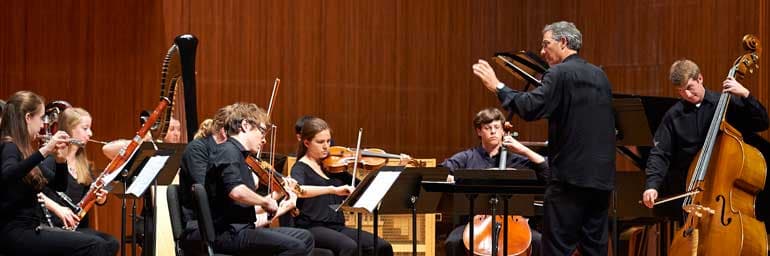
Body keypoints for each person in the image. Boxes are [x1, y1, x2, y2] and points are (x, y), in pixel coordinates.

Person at [472, 21, 616, 255]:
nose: (542, 51)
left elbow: (531, 107)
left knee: (557, 248)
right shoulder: (600, 75)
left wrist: (497, 86)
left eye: (546, 44)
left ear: (563, 42)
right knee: (594, 249)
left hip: (570, 180)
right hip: (601, 179)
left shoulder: (559, 72)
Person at [641, 59, 769, 218]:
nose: (687, 94)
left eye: (689, 88)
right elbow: (660, 152)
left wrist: (745, 94)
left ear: (700, 79)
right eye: (680, 91)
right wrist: (652, 186)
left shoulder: (724, 103)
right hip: (693, 195)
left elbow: (762, 122)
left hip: (726, 194)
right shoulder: (673, 116)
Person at [0, 91, 112, 255]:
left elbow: (59, 185)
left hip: (31, 230)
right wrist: (45, 150)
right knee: (94, 246)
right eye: (41, 118)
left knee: (103, 244)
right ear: (28, 118)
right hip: (14, 233)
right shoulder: (9, 145)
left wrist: (60, 160)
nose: (42, 125)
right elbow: (8, 175)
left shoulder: (26, 151)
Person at [206, 103, 313, 255]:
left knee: (304, 237)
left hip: (241, 228)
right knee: (295, 247)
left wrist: (276, 198)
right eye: (262, 132)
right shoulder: (228, 151)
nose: (264, 140)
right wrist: (265, 201)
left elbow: (241, 206)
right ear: (245, 125)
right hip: (229, 233)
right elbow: (236, 191)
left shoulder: (240, 156)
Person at [441, 108, 548, 256]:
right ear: (479, 131)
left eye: (497, 127)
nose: (493, 132)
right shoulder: (467, 157)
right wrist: (448, 177)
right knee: (453, 242)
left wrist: (523, 150)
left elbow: (548, 173)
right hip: (475, 223)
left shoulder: (517, 160)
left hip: (515, 223)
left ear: (503, 131)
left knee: (538, 241)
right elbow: (442, 170)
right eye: (487, 128)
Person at [290, 117, 394, 256]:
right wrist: (332, 190)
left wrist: (370, 166)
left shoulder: (333, 167)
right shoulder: (300, 168)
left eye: (328, 141)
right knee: (349, 247)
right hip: (312, 227)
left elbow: (361, 187)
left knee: (382, 246)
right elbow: (299, 190)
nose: (326, 146)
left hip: (337, 227)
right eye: (320, 142)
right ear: (307, 143)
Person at [38, 107, 119, 254]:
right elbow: (36, 194)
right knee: (98, 245)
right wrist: (59, 209)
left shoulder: (84, 165)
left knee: (112, 243)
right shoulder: (51, 161)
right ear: (69, 130)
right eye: (85, 128)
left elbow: (94, 196)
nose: (90, 133)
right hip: (54, 226)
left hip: (78, 228)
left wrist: (101, 198)